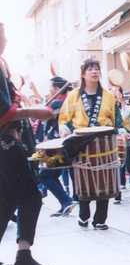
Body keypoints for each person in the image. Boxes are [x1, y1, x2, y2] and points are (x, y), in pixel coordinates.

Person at [0, 21, 57, 265]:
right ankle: (24, 256)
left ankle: (23, 255)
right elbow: (4, 111)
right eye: (3, 35)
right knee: (31, 197)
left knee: (7, 201)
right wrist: (38, 112)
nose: (6, 40)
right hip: (5, 144)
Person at [58, 59, 124, 230]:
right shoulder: (73, 96)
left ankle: (100, 219)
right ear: (83, 74)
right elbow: (64, 119)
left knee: (105, 179)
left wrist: (121, 131)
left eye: (96, 69)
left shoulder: (109, 96)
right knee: (82, 179)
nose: (94, 72)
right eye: (90, 69)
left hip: (104, 142)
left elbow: (117, 120)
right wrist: (64, 129)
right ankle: (84, 215)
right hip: (81, 142)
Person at [39, 76, 77, 217]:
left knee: (45, 175)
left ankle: (66, 201)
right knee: (52, 175)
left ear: (56, 88)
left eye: (50, 87)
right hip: (65, 144)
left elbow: (43, 116)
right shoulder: (69, 100)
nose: (49, 90)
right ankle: (66, 202)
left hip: (56, 146)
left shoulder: (57, 103)